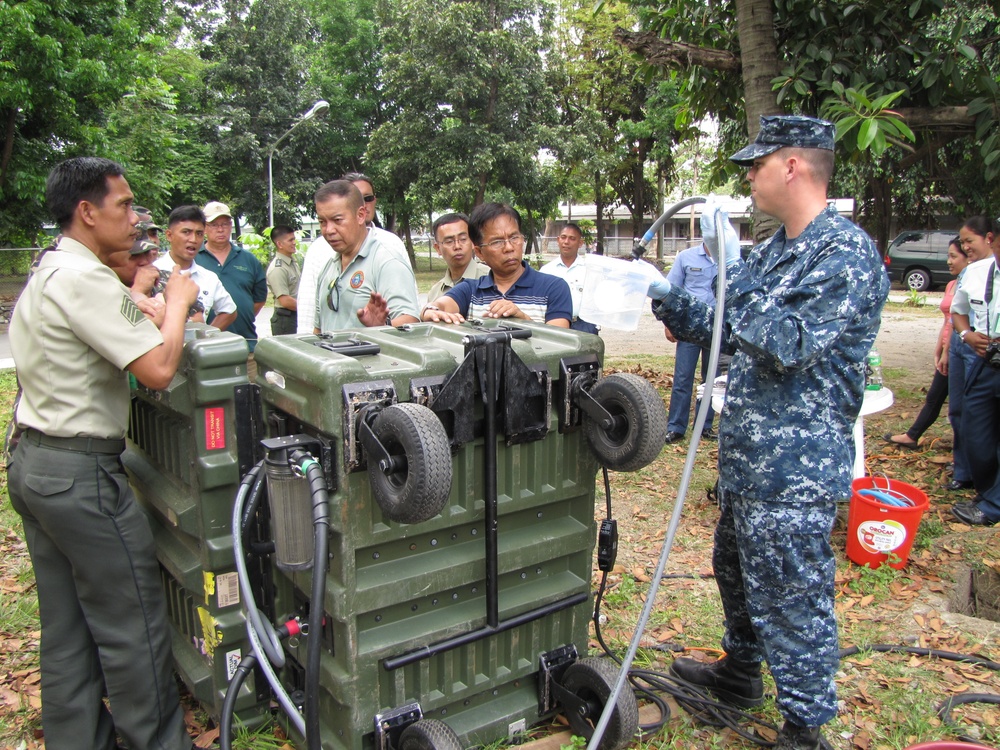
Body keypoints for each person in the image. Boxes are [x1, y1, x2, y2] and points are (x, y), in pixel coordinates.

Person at [646, 116, 889, 750]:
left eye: (757, 164)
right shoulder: (778, 247)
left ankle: (805, 728)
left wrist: (726, 287)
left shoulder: (844, 253)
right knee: (735, 569)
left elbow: (790, 341)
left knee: (792, 594)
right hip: (751, 458)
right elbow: (732, 325)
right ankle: (741, 672)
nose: (748, 177)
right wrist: (674, 305)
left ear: (793, 166)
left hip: (797, 468)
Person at [7, 156, 199, 750]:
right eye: (124, 204)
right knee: (131, 624)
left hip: (34, 464)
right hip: (79, 476)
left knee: (65, 627)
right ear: (87, 212)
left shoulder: (50, 269)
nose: (134, 215)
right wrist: (178, 301)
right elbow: (160, 369)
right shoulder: (84, 278)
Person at [884, 239, 975, 485]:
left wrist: (949, 350)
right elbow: (948, 320)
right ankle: (914, 436)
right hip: (950, 347)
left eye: (954, 256)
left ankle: (965, 465)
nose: (949, 261)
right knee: (937, 398)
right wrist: (941, 347)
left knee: (960, 409)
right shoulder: (952, 285)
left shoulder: (975, 283)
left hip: (961, 350)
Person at [421, 203, 572, 327]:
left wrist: (522, 320)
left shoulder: (554, 288)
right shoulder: (470, 290)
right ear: (479, 252)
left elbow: (560, 344)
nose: (509, 247)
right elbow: (440, 305)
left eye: (514, 237)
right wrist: (430, 311)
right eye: (497, 242)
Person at [296, 172, 412, 333]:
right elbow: (318, 330)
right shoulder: (329, 267)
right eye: (322, 222)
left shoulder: (387, 261)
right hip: (330, 358)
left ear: (360, 215)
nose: (328, 230)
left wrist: (381, 329)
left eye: (337, 220)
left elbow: (410, 325)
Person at [949, 216, 1000, 526]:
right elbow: (958, 312)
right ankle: (987, 489)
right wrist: (967, 336)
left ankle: (993, 506)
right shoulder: (977, 272)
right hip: (985, 362)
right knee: (975, 432)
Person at [661, 241, 718, 443]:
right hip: (689, 327)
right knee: (683, 377)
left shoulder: (729, 258)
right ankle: (676, 426)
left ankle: (705, 425)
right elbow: (670, 289)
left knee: (711, 378)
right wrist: (669, 324)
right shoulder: (686, 257)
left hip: (717, 329)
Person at [196, 201, 267, 349]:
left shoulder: (248, 259)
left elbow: (259, 299)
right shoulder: (194, 259)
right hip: (205, 347)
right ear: (204, 228)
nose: (220, 229)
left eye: (225, 224)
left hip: (245, 344)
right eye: (214, 225)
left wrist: (241, 314)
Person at [157, 205, 238, 329]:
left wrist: (206, 336)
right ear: (169, 235)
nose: (193, 239)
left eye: (199, 233)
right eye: (186, 232)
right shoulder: (152, 273)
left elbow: (229, 311)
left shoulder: (209, 278)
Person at [539, 222, 599, 334]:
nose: (566, 242)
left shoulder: (589, 270)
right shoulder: (546, 271)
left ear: (580, 243)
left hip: (584, 326)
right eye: (563, 237)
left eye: (572, 238)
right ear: (558, 240)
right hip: (554, 326)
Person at [425, 212, 490, 305]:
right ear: (438, 248)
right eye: (449, 241)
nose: (457, 246)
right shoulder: (435, 293)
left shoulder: (491, 278)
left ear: (472, 242)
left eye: (463, 239)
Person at [266, 225, 301, 335]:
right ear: (279, 244)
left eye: (294, 239)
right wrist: (307, 309)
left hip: (294, 314)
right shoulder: (278, 268)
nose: (294, 242)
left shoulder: (292, 262)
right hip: (285, 319)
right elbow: (285, 301)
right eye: (290, 240)